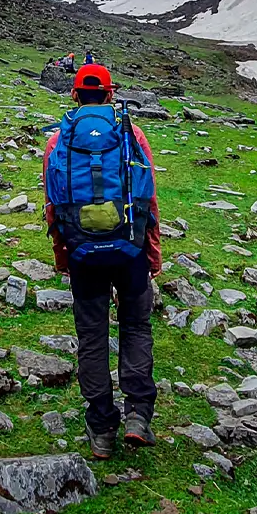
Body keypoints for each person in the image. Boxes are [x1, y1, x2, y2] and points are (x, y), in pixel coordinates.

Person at [42, 63, 162, 459]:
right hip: (130, 251)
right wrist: (153, 254)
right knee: (136, 326)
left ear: (74, 96)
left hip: (82, 253)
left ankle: (101, 429)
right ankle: (138, 416)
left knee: (92, 336)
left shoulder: (59, 140)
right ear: (111, 95)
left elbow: (54, 206)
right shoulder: (133, 134)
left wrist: (64, 255)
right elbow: (150, 201)